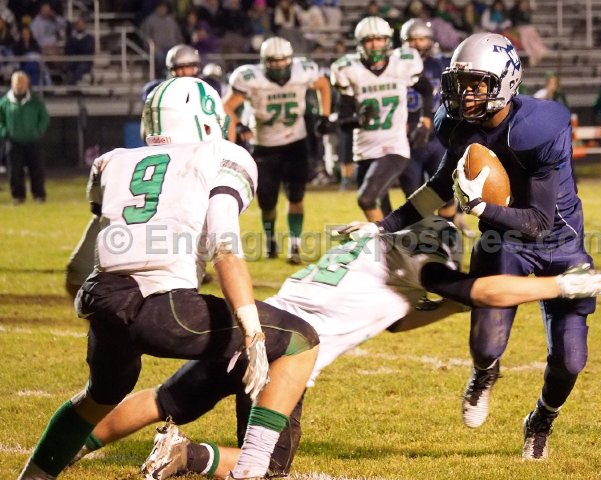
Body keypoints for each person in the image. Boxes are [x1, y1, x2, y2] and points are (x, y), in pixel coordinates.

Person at [69, 217, 601, 478]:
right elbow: (484, 291)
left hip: (253, 327)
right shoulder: (418, 265)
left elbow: (396, 321)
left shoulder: (373, 241)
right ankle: (184, 456)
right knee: (269, 466)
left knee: (164, 400)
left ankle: (70, 448)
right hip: (287, 354)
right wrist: (558, 286)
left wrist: (449, 307)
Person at [17, 77, 320, 480]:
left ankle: (33, 476)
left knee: (98, 397)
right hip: (166, 308)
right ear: (206, 122)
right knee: (299, 339)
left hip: (103, 298)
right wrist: (252, 330)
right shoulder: (220, 154)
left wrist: (104, 317)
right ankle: (255, 467)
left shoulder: (112, 161)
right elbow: (225, 249)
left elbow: (78, 268)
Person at [341, 33, 599, 461]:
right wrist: (383, 226)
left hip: (558, 239)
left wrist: (479, 207)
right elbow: (438, 187)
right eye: (460, 83)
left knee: (571, 359)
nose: (465, 94)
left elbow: (538, 221)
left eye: (477, 84)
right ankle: (485, 373)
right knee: (486, 346)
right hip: (504, 239)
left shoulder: (540, 128)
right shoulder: (458, 123)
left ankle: (540, 419)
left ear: (506, 82)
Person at [223, 36, 332, 264]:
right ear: (264, 62)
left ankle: (295, 245)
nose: (279, 66)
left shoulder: (303, 71)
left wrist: (324, 116)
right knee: (267, 203)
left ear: (290, 60)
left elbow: (323, 85)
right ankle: (271, 239)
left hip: (296, 143)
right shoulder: (251, 78)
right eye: (273, 61)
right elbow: (227, 106)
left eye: (283, 61)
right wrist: (239, 124)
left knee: (296, 197)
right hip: (264, 146)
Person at [331, 16, 434, 222]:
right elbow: (343, 121)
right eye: (369, 40)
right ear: (360, 43)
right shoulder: (349, 69)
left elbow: (426, 89)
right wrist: (358, 120)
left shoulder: (401, 63)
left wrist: (425, 122)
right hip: (364, 150)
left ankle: (420, 235)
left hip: (393, 146)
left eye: (379, 39)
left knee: (366, 199)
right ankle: (392, 241)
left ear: (387, 41)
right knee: (379, 209)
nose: (375, 45)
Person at [398, 19, 456, 223]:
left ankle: (448, 233)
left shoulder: (440, 64)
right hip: (406, 138)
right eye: (412, 40)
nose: (417, 44)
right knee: (414, 196)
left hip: (436, 137)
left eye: (422, 39)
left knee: (446, 193)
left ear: (430, 40)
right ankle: (426, 235)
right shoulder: (395, 66)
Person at [0, 70, 49, 204]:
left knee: (37, 169)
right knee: (14, 171)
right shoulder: (4, 102)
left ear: (27, 84)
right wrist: (5, 132)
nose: (19, 85)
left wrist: (38, 131)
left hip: (33, 141)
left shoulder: (35, 101)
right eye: (17, 83)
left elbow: (44, 118)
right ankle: (18, 196)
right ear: (12, 84)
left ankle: (39, 195)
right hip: (13, 142)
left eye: (22, 82)